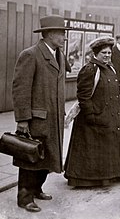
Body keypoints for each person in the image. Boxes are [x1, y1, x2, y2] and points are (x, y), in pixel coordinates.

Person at [12, 15, 70, 212]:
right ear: (49, 34)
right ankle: (24, 197)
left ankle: (37, 189)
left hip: (53, 117)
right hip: (37, 119)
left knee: (47, 157)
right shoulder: (30, 55)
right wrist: (22, 119)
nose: (64, 37)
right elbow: (20, 89)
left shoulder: (59, 55)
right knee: (31, 158)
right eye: (61, 33)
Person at [64, 36, 120, 187]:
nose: (108, 55)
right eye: (104, 53)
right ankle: (84, 179)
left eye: (109, 53)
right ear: (96, 53)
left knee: (102, 149)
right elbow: (83, 95)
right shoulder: (90, 69)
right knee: (89, 149)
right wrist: (90, 115)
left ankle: (103, 178)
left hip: (106, 116)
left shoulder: (110, 67)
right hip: (92, 118)